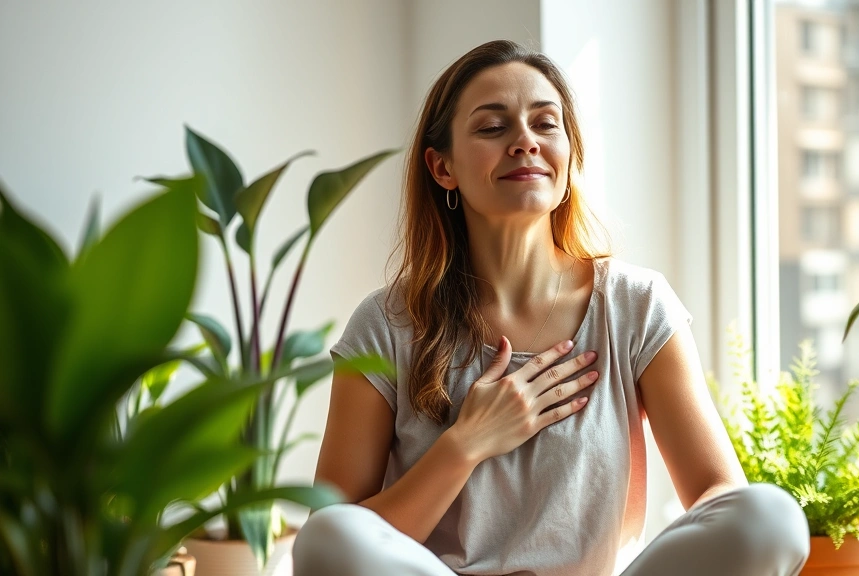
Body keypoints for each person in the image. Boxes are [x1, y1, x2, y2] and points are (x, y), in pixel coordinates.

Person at [293, 40, 809, 576]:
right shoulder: (386, 325)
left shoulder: (635, 305)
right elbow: (339, 536)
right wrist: (464, 445)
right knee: (328, 533)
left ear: (569, 156)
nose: (525, 142)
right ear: (441, 166)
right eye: (493, 128)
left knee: (770, 514)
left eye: (546, 124)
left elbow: (720, 497)